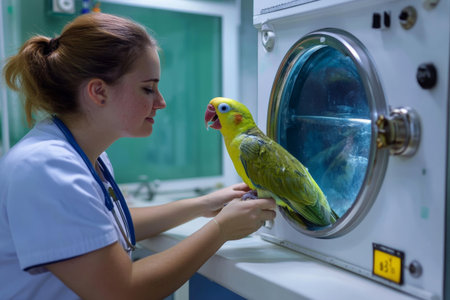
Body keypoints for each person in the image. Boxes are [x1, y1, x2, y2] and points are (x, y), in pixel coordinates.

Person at [0, 12, 276, 299]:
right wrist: (221, 229)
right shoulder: (45, 168)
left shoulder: (86, 155)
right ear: (98, 92)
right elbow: (122, 291)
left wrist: (203, 204)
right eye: (148, 88)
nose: (161, 102)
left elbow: (103, 225)